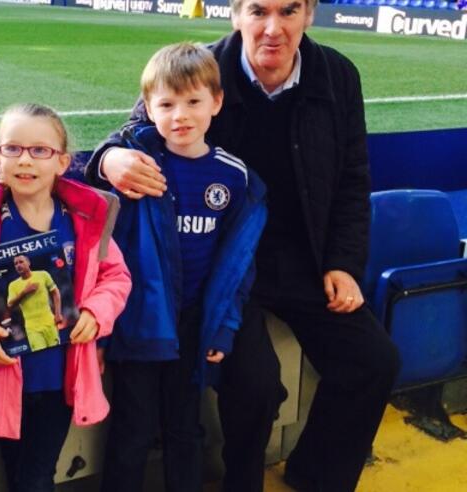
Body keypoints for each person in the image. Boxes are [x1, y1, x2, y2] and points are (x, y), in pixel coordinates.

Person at [86, 1, 401, 491]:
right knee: (254, 385)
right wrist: (110, 160)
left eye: (289, 11)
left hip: (306, 261)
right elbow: (132, 132)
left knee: (375, 361)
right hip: (226, 268)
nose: (273, 28)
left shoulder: (336, 75)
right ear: (235, 15)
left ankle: (317, 475)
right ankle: (243, 480)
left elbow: (353, 180)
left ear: (309, 14)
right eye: (258, 10)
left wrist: (342, 263)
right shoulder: (202, 69)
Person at [92, 43, 267, 492]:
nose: (181, 115)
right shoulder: (136, 163)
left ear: (217, 102)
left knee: (185, 429)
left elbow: (238, 267)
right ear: (147, 108)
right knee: (132, 430)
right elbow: (92, 207)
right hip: (142, 322)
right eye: (166, 104)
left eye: (193, 101)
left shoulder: (234, 177)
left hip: (195, 327)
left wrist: (224, 328)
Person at [0, 103, 131, 492]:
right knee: (18, 475)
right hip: (1, 377)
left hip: (59, 378)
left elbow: (116, 276)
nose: (25, 160)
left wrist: (96, 315)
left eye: (39, 150)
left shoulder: (82, 218)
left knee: (35, 477)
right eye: (12, 148)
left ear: (63, 162)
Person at [7, 254, 64, 350]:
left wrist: (58, 314)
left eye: (21, 262)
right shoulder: (13, 285)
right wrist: (24, 292)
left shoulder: (43, 274)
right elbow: (10, 304)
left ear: (28, 263)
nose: (18, 265)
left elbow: (55, 292)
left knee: (56, 351)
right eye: (15, 264)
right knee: (40, 354)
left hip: (49, 322)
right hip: (32, 327)